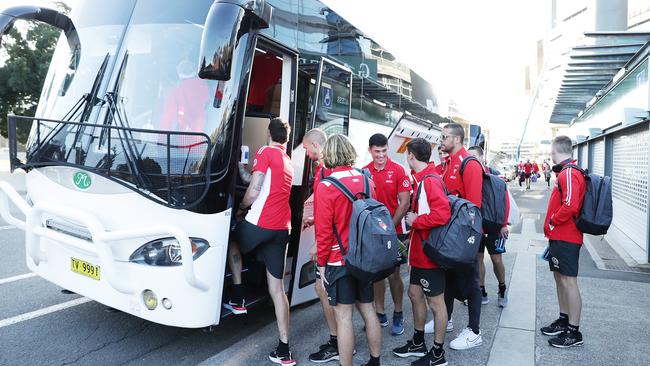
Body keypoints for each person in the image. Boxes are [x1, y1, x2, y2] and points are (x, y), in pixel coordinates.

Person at [225, 118, 296, 365]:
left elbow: (254, 190)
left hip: (261, 222)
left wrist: (241, 208)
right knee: (277, 290)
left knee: (232, 240)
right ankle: (285, 349)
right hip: (282, 228)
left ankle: (238, 297)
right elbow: (260, 182)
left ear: (268, 133)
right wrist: (242, 168)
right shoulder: (288, 161)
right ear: (286, 139)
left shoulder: (265, 151)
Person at [315, 134, 382, 366]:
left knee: (344, 317)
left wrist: (321, 265)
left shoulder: (326, 186)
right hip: (364, 257)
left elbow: (323, 232)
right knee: (368, 309)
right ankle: (375, 361)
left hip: (338, 258)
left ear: (329, 154)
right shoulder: (366, 179)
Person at [392, 138, 451, 366]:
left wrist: (417, 221)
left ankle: (438, 354)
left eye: (407, 155)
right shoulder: (423, 179)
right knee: (414, 295)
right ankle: (418, 342)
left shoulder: (429, 181)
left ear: (410, 156)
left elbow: (442, 214)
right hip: (419, 253)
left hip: (430, 256)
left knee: (436, 303)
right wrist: (410, 238)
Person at [438, 122, 485, 351]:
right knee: (447, 278)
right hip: (450, 234)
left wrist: (468, 242)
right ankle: (445, 320)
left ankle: (474, 331)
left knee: (471, 282)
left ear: (457, 139)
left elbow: (473, 208)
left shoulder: (470, 164)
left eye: (445, 136)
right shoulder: (449, 163)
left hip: (464, 236)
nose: (441, 140)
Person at [541, 135, 586, 349]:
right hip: (560, 236)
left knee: (569, 282)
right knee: (560, 280)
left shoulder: (568, 173)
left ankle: (574, 332)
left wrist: (552, 220)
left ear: (554, 151)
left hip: (566, 236)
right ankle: (564, 319)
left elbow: (570, 206)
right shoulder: (567, 172)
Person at [364, 133, 410, 336]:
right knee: (376, 276)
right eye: (377, 151)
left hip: (394, 231)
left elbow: (405, 203)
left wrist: (389, 227)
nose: (381, 155)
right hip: (373, 233)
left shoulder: (399, 170)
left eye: (384, 151)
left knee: (393, 275)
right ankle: (380, 313)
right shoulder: (365, 171)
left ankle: (398, 313)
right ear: (370, 150)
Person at [301, 128, 340, 363]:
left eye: (306, 149)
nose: (306, 153)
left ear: (316, 146)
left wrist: (318, 242)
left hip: (329, 244)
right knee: (326, 291)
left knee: (323, 290)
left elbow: (333, 213)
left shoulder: (327, 170)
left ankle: (338, 343)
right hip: (329, 239)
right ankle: (338, 340)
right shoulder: (324, 169)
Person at [468, 146, 510, 308]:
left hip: (494, 227)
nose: (470, 160)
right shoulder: (467, 176)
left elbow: (504, 202)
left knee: (496, 259)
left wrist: (504, 224)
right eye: (468, 157)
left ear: (481, 158)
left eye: (473, 157)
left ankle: (502, 287)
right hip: (477, 227)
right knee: (478, 259)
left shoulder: (494, 178)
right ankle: (481, 291)